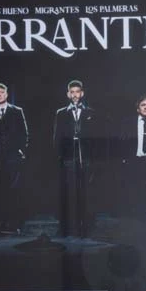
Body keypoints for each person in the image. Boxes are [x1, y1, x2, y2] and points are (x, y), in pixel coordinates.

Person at [0, 82, 28, 236]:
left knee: (13, 190)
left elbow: (24, 133)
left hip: (12, 156)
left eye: (2, 92)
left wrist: (21, 150)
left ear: (7, 94)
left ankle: (14, 224)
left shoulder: (16, 111)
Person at [52, 79, 94, 237]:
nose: (75, 95)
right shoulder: (61, 113)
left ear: (82, 93)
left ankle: (84, 226)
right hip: (68, 157)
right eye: (72, 92)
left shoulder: (90, 112)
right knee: (68, 191)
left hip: (85, 157)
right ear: (68, 94)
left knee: (84, 191)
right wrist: (60, 156)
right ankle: (67, 226)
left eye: (77, 92)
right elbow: (57, 137)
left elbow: (94, 137)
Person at [124, 94, 146, 217]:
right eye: (143, 105)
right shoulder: (130, 123)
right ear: (138, 109)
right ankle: (135, 212)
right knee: (135, 188)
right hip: (135, 160)